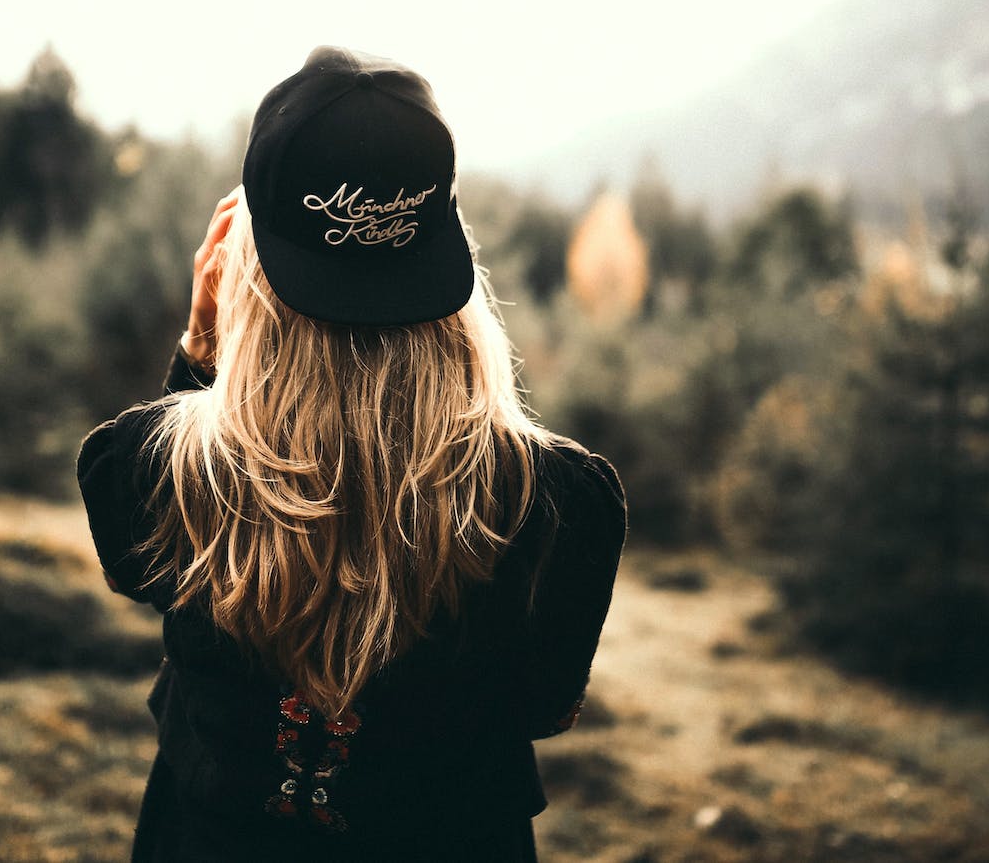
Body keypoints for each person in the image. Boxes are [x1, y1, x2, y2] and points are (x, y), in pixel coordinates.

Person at [77, 46, 627, 862]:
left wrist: (200, 345)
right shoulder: (563, 504)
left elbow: (137, 567)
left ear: (241, 264)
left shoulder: (150, 469)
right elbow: (544, 706)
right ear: (450, 258)